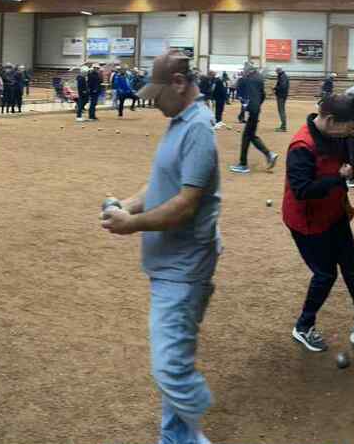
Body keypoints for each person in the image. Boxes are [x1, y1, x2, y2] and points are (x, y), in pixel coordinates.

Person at [99, 52, 220, 444]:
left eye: (157, 94)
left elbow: (186, 204)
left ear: (179, 84)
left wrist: (131, 224)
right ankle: (175, 439)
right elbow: (160, 185)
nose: (152, 102)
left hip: (184, 268)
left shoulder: (198, 128)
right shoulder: (180, 123)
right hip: (171, 264)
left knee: (170, 369)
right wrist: (127, 205)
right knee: (174, 362)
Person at [282, 92, 354, 354]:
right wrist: (338, 179)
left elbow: (342, 165)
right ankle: (303, 326)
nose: (352, 133)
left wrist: (344, 193)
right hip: (308, 223)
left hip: (335, 214)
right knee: (325, 274)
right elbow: (302, 190)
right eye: (350, 127)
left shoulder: (338, 136)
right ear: (331, 120)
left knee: (352, 268)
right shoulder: (302, 146)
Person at [230, 64, 278, 174]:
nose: (244, 72)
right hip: (256, 110)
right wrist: (257, 106)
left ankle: (243, 164)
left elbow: (241, 92)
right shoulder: (259, 78)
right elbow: (263, 95)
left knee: (246, 136)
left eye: (244, 70)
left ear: (249, 71)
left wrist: (249, 107)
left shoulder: (248, 79)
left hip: (252, 111)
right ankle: (269, 155)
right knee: (251, 136)